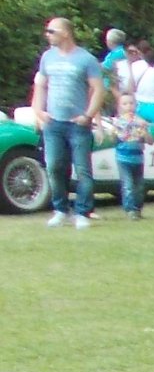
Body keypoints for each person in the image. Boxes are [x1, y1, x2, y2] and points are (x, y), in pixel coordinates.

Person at [31, 17, 105, 227]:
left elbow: (98, 89)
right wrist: (39, 111)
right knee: (54, 166)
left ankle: (82, 212)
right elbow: (40, 85)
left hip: (77, 124)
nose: (47, 35)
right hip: (53, 123)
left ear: (65, 33)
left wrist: (88, 115)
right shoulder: (47, 57)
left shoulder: (86, 59)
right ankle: (60, 209)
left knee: (82, 170)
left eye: (51, 31)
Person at [113, 92, 149, 219]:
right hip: (123, 158)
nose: (128, 106)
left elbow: (150, 140)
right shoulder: (118, 122)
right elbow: (115, 138)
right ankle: (130, 210)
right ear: (119, 106)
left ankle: (137, 208)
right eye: (125, 104)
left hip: (138, 158)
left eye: (131, 103)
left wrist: (145, 132)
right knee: (127, 185)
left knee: (139, 186)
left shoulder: (140, 122)